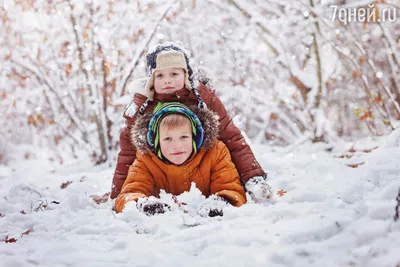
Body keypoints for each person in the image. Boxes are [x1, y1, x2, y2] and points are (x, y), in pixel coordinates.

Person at [111, 42, 272, 203]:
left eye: (174, 74)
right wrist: (118, 194)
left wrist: (253, 177)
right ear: (151, 80)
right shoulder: (143, 107)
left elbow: (232, 138)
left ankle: (225, 196)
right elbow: (128, 154)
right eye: (160, 75)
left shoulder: (204, 99)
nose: (167, 81)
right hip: (162, 175)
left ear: (186, 75)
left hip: (203, 172)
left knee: (219, 150)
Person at [115, 102, 246, 215]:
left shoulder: (215, 152)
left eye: (183, 137)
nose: (177, 146)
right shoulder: (146, 159)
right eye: (167, 139)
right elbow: (130, 193)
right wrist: (140, 203)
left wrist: (222, 201)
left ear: (195, 136)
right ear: (156, 141)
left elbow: (231, 189)